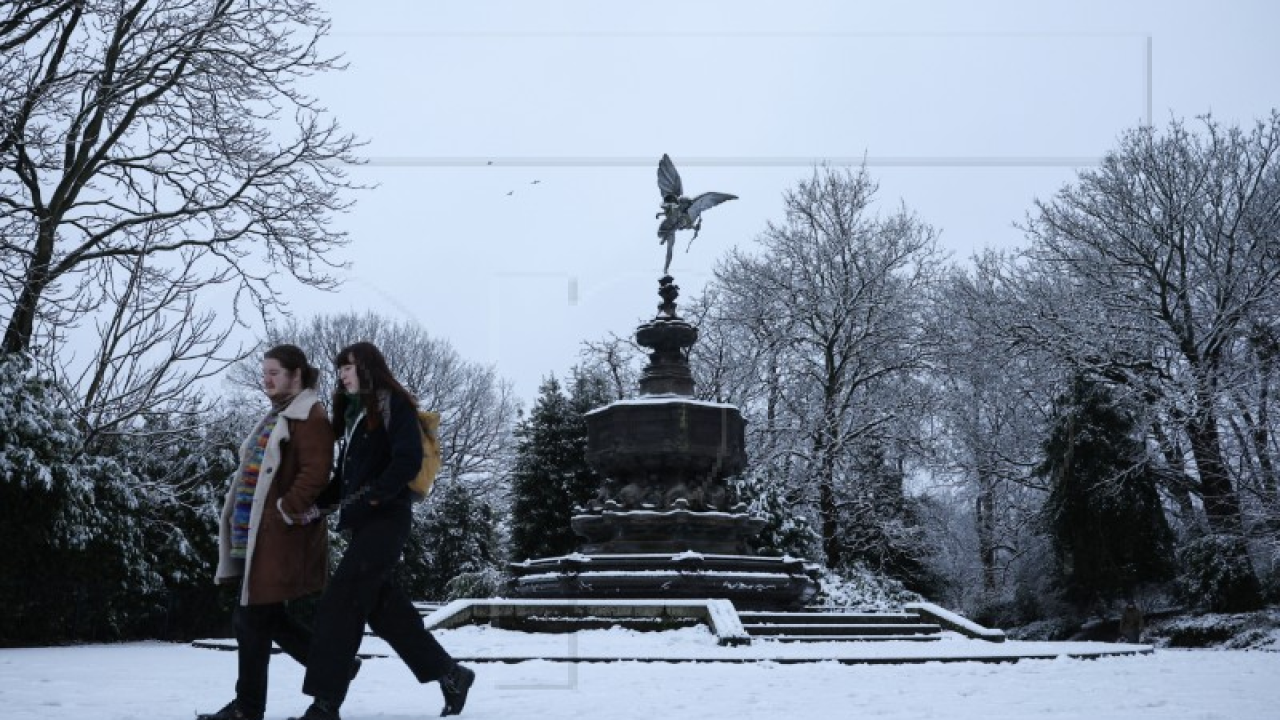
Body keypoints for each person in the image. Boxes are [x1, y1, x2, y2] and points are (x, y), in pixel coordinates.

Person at [291, 342, 475, 720]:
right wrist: (316, 509)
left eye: (348, 367)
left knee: (339, 603)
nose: (342, 375)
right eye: (340, 369)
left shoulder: (395, 405)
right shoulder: (361, 418)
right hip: (366, 525)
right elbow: (345, 481)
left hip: (387, 520)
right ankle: (451, 674)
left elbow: (407, 459)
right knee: (385, 610)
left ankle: (325, 704)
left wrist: (378, 495)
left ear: (368, 368)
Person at [200, 345, 342, 720]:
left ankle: (248, 709)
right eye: (264, 373)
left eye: (274, 373)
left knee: (250, 620)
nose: (266, 379)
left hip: (277, 537)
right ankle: (333, 667)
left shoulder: (309, 414)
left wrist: (284, 511)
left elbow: (316, 471)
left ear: (297, 375)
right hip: (256, 535)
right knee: (264, 620)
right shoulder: (277, 413)